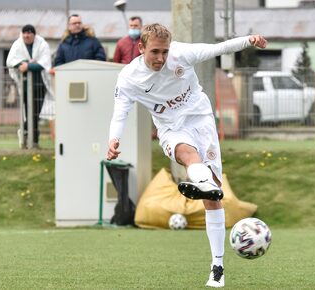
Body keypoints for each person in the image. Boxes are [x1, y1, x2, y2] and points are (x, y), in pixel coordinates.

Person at [106, 23, 267, 288]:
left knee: (214, 199)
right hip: (171, 128)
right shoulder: (128, 77)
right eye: (155, 52)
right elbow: (120, 112)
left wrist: (249, 40)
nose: (161, 58)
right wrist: (114, 139)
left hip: (201, 121)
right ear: (141, 48)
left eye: (165, 52)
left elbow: (218, 48)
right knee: (187, 155)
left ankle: (218, 266)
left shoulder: (181, 54)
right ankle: (202, 182)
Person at [6, 24, 55, 149]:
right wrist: (29, 63)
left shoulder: (42, 44)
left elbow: (44, 63)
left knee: (35, 113)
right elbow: (11, 61)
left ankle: (28, 136)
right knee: (28, 112)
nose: (27, 36)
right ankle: (30, 139)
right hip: (25, 85)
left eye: (29, 33)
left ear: (34, 34)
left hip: (39, 84)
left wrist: (28, 66)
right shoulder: (17, 45)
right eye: (25, 33)